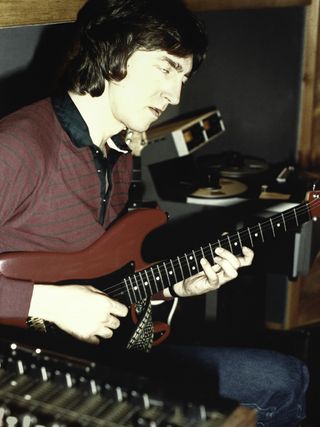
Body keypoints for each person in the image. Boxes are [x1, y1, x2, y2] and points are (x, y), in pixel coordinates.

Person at [0, 0, 308, 425]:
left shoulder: (119, 153)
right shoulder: (18, 148)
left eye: (183, 76)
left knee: (285, 378)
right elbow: (64, 300)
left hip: (106, 355)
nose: (177, 94)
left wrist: (178, 288)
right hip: (25, 374)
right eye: (166, 68)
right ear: (114, 52)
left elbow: (105, 274)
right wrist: (50, 304)